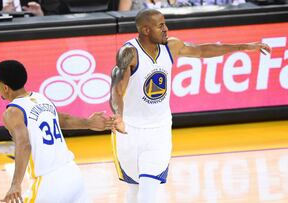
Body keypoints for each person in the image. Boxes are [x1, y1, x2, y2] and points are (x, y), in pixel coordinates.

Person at [110, 9, 271, 203]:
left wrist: (244, 46)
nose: (166, 29)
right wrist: (118, 116)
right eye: (160, 25)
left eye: (165, 24)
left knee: (148, 189)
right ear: (145, 29)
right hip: (130, 130)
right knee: (134, 189)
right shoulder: (130, 53)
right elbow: (117, 90)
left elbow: (202, 50)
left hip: (159, 130)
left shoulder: (172, 47)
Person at [0, 60, 113, 203]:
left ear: (5, 87)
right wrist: (88, 122)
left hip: (48, 182)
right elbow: (64, 119)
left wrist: (15, 184)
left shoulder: (12, 112)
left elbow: (24, 144)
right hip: (73, 175)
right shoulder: (40, 98)